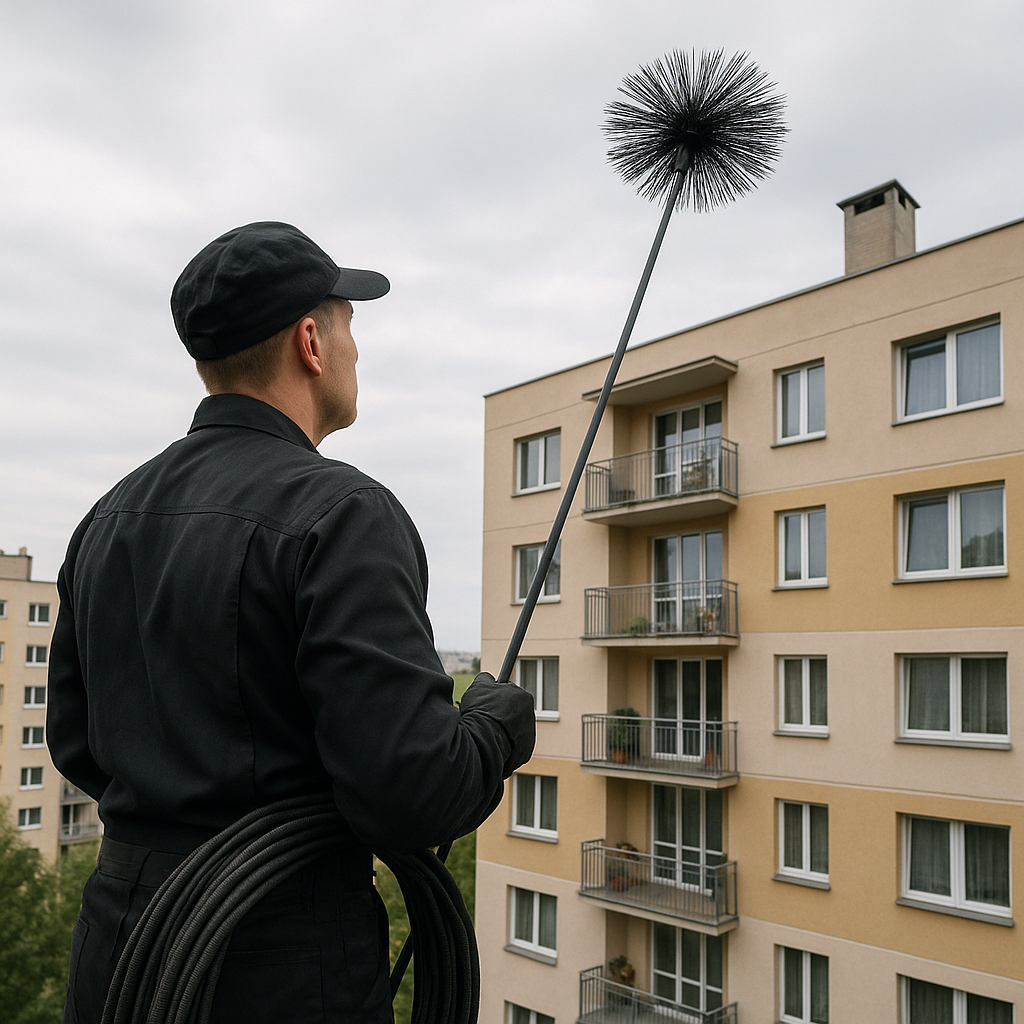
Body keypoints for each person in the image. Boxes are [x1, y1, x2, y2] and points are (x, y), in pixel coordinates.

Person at [46, 221, 536, 1024]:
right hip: (280, 964)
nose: (355, 350)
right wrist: (494, 724)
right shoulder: (345, 513)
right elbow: (410, 794)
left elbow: (77, 743)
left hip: (116, 952)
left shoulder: (108, 516)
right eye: (349, 325)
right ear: (311, 340)